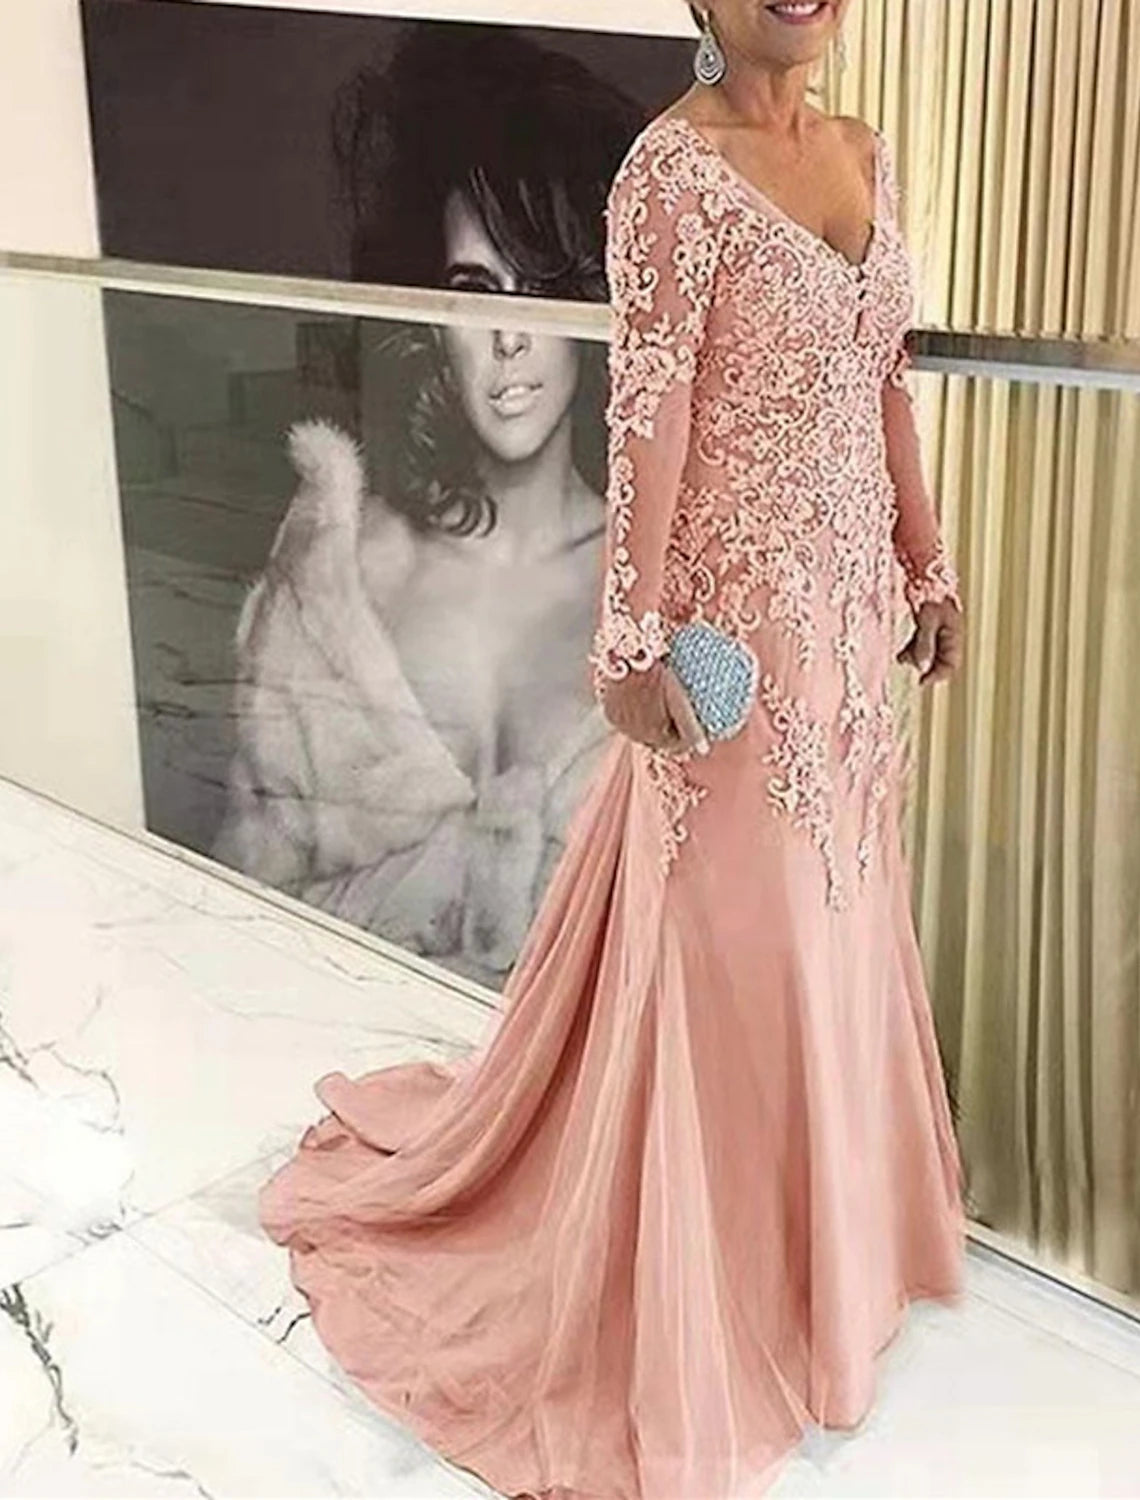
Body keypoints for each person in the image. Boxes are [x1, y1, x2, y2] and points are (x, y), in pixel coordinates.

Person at [258, 4, 969, 1496]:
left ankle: (826, 1266)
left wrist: (928, 563)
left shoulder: (866, 154)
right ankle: (721, 1292)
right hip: (736, 646)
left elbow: (885, 377)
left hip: (850, 637)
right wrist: (630, 645)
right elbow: (651, 416)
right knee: (740, 948)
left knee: (840, 930)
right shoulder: (669, 172)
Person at [212, 26, 646, 989]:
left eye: (543, 291)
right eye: (473, 289)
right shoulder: (334, 586)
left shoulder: (662, 580)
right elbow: (248, 908)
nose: (508, 339)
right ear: (428, 312)